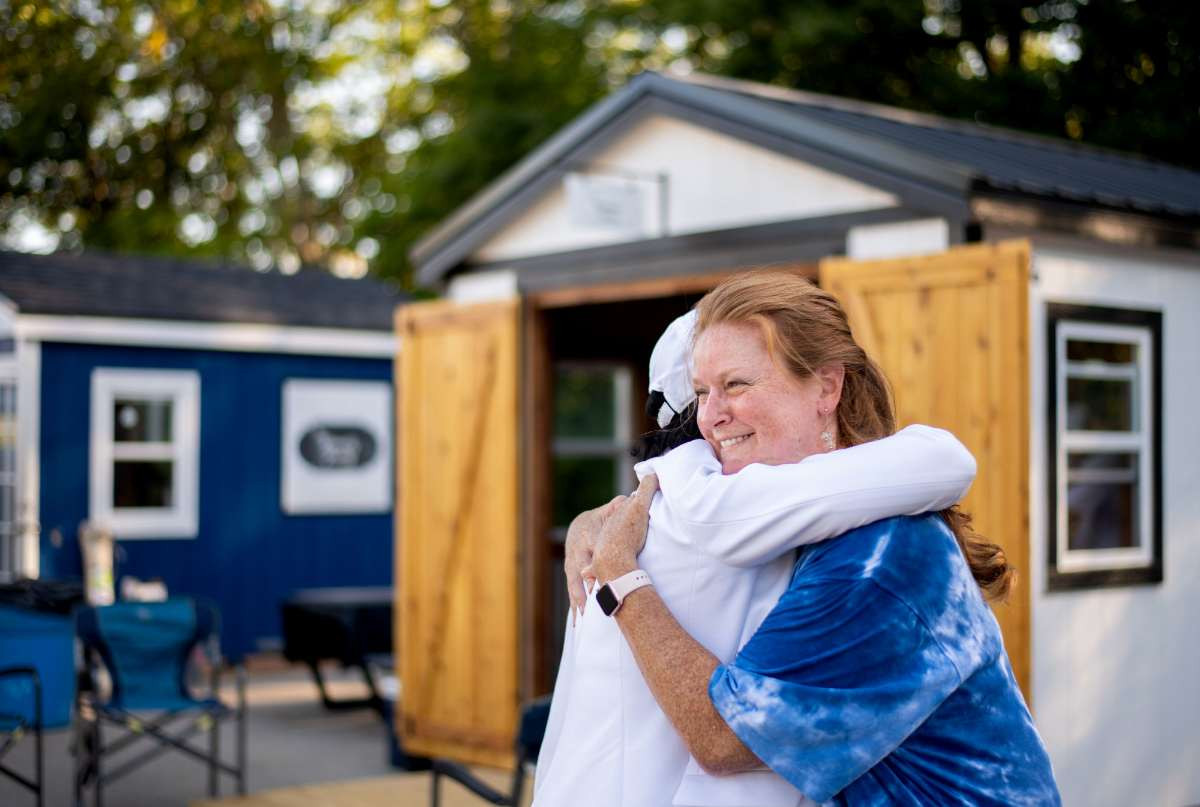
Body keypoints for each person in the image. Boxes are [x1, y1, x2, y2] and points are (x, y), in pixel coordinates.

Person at [583, 272, 1061, 805]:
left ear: (827, 387)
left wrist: (621, 580)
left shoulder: (882, 555)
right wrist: (606, 514)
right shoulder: (809, 523)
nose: (711, 417)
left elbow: (724, 737)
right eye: (700, 392)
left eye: (737, 385)